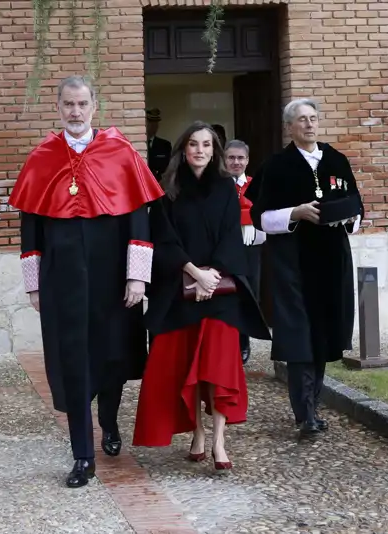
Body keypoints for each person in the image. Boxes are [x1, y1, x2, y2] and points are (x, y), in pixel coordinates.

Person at [8, 75, 164, 487]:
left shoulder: (122, 153)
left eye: (82, 104)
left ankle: (109, 423)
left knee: (112, 358)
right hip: (63, 280)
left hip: (114, 278)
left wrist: (137, 278)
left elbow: (138, 221)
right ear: (57, 108)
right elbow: (31, 229)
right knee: (72, 363)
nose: (75, 112)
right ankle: (83, 455)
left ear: (95, 105)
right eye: (68, 105)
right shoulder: (42, 157)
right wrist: (34, 283)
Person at [132, 121, 271, 469]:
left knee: (217, 368)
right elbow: (163, 239)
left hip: (220, 292)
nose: (200, 150)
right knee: (185, 367)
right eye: (193, 144)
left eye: (207, 145)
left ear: (215, 151)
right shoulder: (166, 190)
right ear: (183, 149)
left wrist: (213, 277)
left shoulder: (225, 187)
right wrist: (194, 273)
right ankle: (197, 432)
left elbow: (230, 235)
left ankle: (219, 441)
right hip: (180, 291)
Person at [246, 98, 363, 436]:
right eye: (302, 120)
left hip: (330, 261)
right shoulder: (277, 166)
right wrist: (295, 213)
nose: (309, 125)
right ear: (290, 127)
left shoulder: (337, 160)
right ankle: (305, 413)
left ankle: (312, 404)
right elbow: (262, 218)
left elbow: (356, 207)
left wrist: (349, 217)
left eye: (313, 118)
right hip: (292, 264)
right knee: (299, 337)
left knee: (323, 335)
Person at [224, 139, 266, 364]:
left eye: (240, 158)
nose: (236, 162)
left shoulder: (255, 184)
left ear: (247, 160)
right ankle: (228, 343)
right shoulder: (218, 184)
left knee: (251, 294)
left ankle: (244, 341)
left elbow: (264, 209)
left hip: (252, 247)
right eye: (231, 158)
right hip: (225, 247)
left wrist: (248, 218)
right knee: (227, 294)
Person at [146, 108, 172, 179]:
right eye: (150, 122)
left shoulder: (165, 145)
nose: (154, 126)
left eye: (156, 123)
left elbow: (167, 169)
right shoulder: (137, 144)